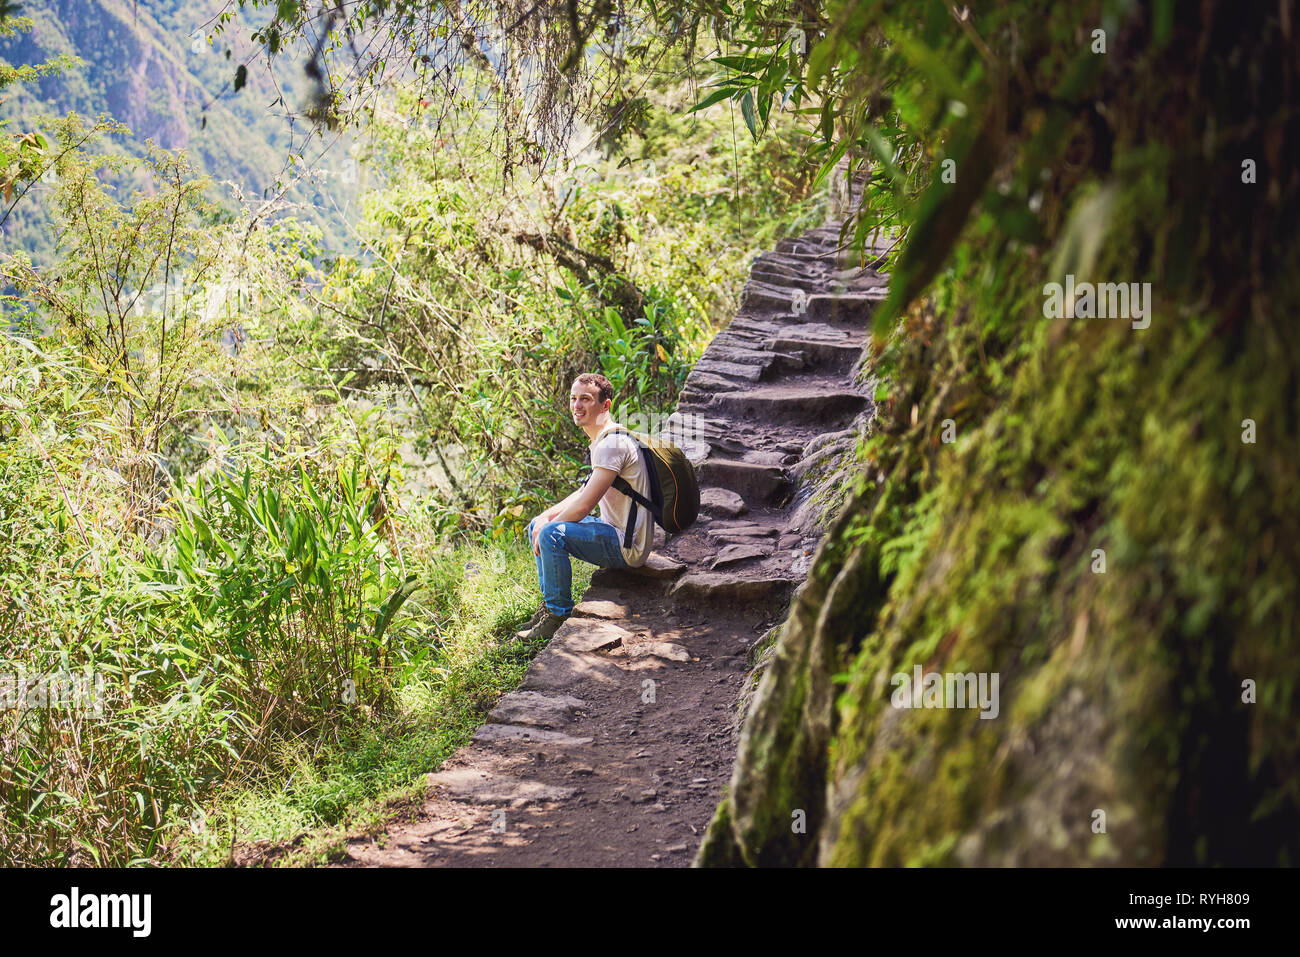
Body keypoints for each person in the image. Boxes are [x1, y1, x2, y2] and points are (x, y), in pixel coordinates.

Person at [516, 372, 654, 641]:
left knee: (550, 534)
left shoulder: (611, 444)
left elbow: (584, 507)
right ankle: (548, 606)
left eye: (586, 399)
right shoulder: (604, 438)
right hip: (612, 529)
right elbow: (584, 490)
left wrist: (548, 527)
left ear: (606, 405)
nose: (577, 405)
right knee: (538, 524)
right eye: (574, 398)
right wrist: (545, 516)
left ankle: (558, 616)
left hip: (628, 546)